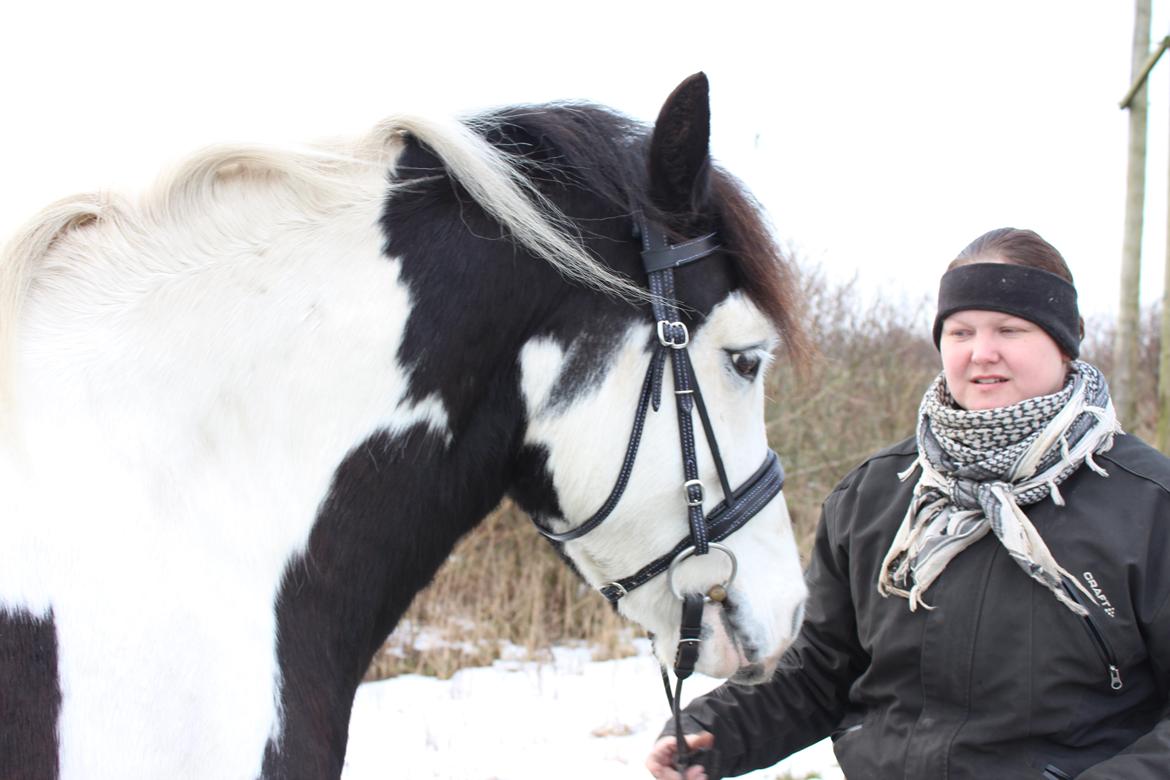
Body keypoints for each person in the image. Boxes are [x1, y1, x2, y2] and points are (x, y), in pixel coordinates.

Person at [646, 228, 1170, 779]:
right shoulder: (875, 495)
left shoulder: (1149, 505)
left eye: (1010, 330)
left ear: (1064, 343)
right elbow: (820, 670)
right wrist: (715, 732)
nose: (981, 352)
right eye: (961, 330)